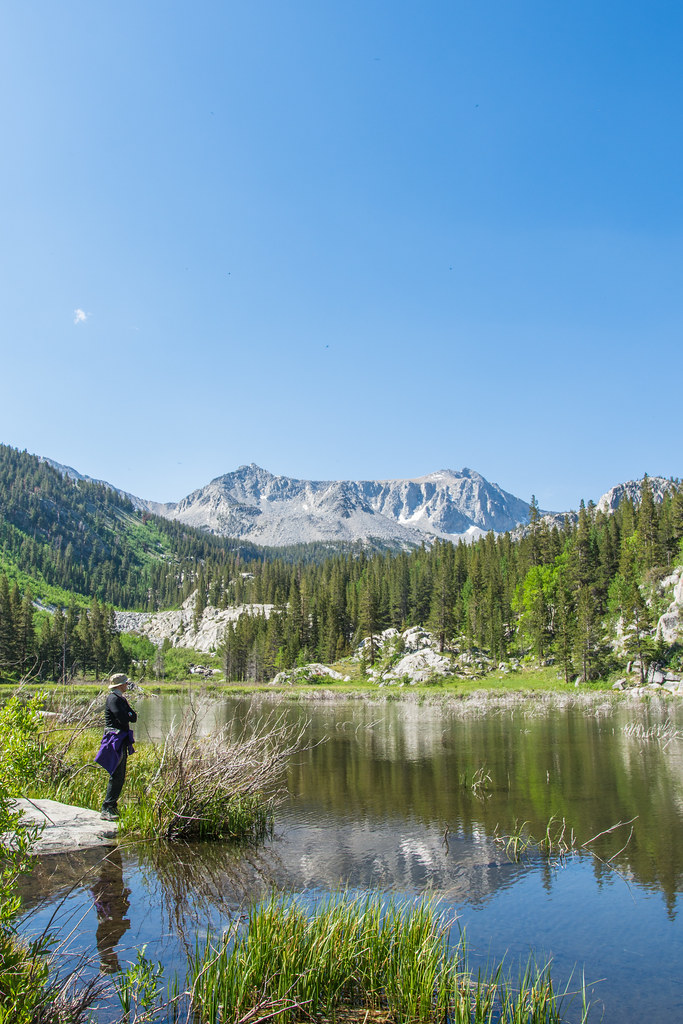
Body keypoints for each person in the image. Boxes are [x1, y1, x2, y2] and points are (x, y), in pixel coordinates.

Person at [95, 673, 137, 821]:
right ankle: (107, 808)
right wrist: (128, 713)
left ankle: (111, 806)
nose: (127, 685)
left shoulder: (120, 699)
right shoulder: (113, 699)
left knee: (120, 774)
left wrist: (129, 713)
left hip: (120, 738)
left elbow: (134, 717)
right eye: (126, 683)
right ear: (120, 685)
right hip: (114, 739)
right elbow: (124, 717)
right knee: (116, 774)